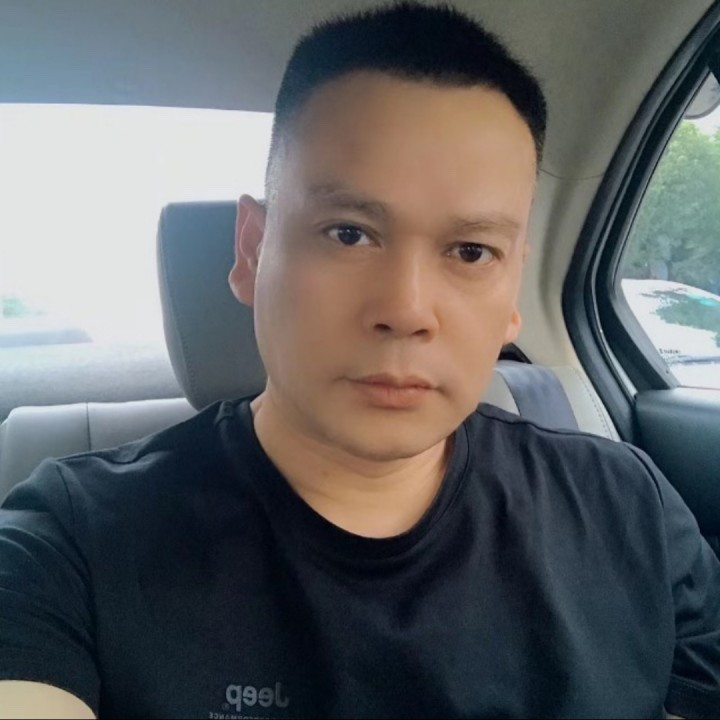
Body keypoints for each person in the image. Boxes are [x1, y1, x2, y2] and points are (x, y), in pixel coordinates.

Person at [0, 2, 718, 718]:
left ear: (512, 294)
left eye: (471, 252)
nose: (406, 309)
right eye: (348, 233)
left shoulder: (629, 511)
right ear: (252, 250)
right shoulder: (73, 545)